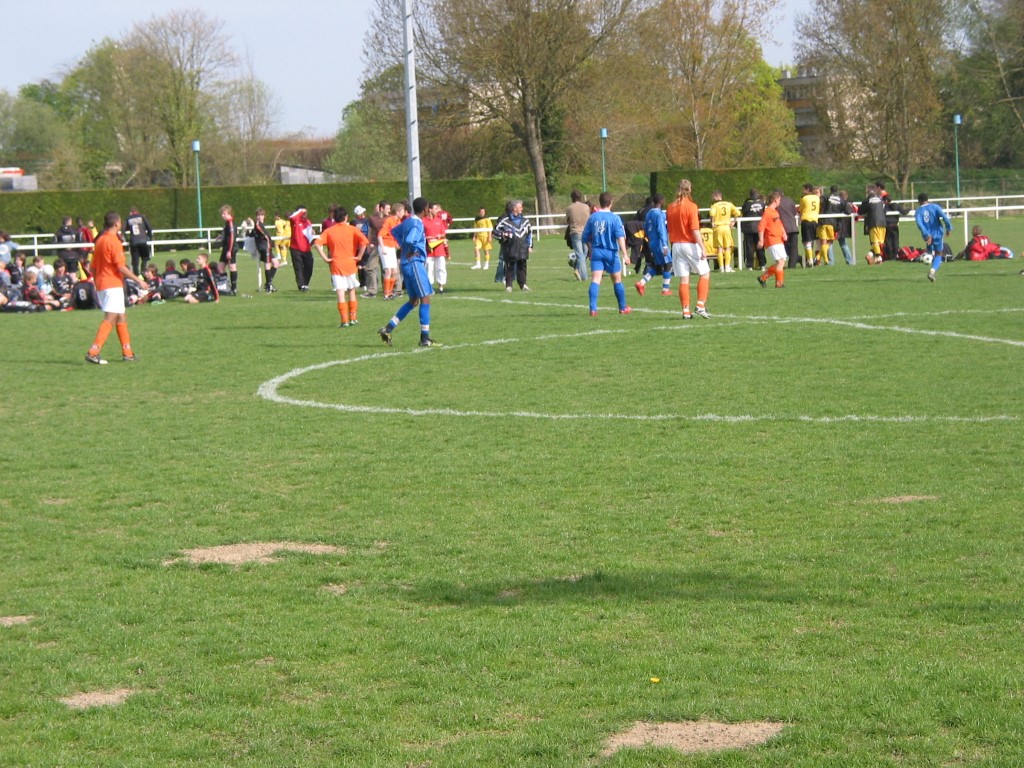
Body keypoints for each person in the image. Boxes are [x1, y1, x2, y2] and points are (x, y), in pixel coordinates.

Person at [85, 211, 148, 364]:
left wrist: (98, 282)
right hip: (112, 284)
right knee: (111, 317)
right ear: (116, 223)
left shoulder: (100, 240)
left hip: (103, 283)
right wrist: (138, 281)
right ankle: (93, 351)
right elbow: (120, 267)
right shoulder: (113, 241)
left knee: (121, 316)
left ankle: (127, 353)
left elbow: (92, 267)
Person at [377, 197, 439, 347]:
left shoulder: (408, 221)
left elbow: (395, 231)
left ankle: (388, 329)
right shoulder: (417, 223)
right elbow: (411, 240)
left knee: (414, 301)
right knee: (425, 298)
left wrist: (404, 248)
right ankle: (424, 338)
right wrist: (413, 250)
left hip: (407, 264)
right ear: (425, 209)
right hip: (414, 264)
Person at [313, 206, 369, 327]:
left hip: (336, 264)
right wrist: (359, 256)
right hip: (350, 263)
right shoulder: (352, 229)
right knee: (351, 290)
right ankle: (353, 318)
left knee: (340, 292)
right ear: (346, 217)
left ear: (334, 217)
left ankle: (344, 321)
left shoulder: (329, 231)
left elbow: (317, 244)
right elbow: (364, 242)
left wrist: (325, 258)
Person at [666, 178, 710, 319]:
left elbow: (670, 228)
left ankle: (686, 310)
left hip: (676, 245)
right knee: (705, 273)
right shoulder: (691, 206)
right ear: (689, 190)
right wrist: (703, 247)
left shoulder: (670, 207)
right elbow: (694, 230)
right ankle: (701, 305)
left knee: (684, 279)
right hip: (689, 244)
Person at [583, 191, 631, 316]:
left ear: (600, 202)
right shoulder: (615, 218)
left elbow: (584, 237)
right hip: (611, 252)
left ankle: (593, 309)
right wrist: (625, 254)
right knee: (617, 280)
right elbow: (620, 237)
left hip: (597, 252)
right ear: (611, 203)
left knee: (595, 279)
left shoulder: (593, 217)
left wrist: (590, 248)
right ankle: (622, 308)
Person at [636, 194, 671, 296]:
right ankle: (665, 290)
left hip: (652, 242)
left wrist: (650, 239)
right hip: (660, 243)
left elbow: (646, 228)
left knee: (657, 266)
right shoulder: (659, 214)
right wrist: (664, 245)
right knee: (668, 264)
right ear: (661, 201)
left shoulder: (649, 214)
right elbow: (661, 229)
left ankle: (641, 283)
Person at [494, 199, 532, 292]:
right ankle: (509, 285)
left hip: (522, 247)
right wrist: (503, 235)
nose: (522, 209)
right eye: (520, 207)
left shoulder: (525, 221)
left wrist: (530, 246)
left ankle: (523, 284)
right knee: (510, 266)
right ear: (514, 208)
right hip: (510, 248)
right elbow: (495, 232)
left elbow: (529, 234)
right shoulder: (505, 221)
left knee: (522, 266)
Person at [914, 193, 953, 283]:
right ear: (927, 199)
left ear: (919, 201)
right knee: (939, 253)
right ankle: (932, 271)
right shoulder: (935, 207)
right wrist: (948, 228)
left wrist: (926, 234)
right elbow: (945, 217)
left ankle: (928, 257)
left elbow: (920, 224)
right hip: (937, 234)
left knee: (930, 251)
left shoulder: (918, 211)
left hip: (927, 237)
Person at [757, 190, 788, 288]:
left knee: (781, 261)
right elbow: (761, 226)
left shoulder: (775, 212)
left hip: (778, 239)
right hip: (772, 239)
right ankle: (779, 283)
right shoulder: (767, 212)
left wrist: (784, 232)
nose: (780, 202)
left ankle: (763, 277)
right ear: (775, 200)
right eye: (779, 200)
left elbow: (779, 224)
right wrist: (761, 240)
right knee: (780, 262)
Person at [709, 190, 741, 272]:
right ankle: (727, 267)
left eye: (713, 197)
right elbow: (738, 213)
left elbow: (712, 214)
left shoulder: (714, 205)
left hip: (718, 227)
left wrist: (712, 222)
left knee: (719, 248)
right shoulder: (729, 204)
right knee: (728, 247)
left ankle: (721, 268)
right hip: (727, 227)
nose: (712, 198)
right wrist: (734, 221)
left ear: (717, 196)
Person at [377, 202, 403, 300]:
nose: (403, 213)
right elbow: (380, 235)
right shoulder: (389, 221)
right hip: (385, 246)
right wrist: (382, 247)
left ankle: (390, 292)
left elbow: (396, 235)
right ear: (397, 212)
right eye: (402, 211)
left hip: (392, 247)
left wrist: (397, 243)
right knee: (388, 270)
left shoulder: (398, 221)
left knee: (394, 271)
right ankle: (386, 294)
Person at [423, 201, 450, 293]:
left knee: (441, 267)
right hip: (428, 249)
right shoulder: (423, 221)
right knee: (429, 268)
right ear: (430, 210)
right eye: (436, 209)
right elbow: (420, 234)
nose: (438, 211)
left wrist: (440, 236)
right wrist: (427, 238)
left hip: (439, 248)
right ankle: (429, 287)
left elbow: (443, 233)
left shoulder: (439, 220)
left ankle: (441, 287)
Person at [565, 190, 590, 281]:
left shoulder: (569, 208)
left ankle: (579, 271)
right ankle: (583, 276)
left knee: (580, 255)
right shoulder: (586, 207)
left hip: (575, 232)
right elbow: (588, 218)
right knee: (584, 252)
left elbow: (568, 221)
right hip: (585, 232)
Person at [359, 203, 383, 298]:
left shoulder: (388, 218)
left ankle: (390, 290)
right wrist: (369, 244)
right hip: (375, 246)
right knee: (370, 268)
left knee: (387, 269)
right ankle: (372, 290)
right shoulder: (372, 219)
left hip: (386, 246)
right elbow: (369, 231)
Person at [252, 208, 278, 293]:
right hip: (264, 247)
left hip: (267, 247)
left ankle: (268, 283)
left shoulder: (261, 224)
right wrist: (267, 238)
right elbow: (263, 234)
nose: (260, 217)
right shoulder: (257, 224)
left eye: (262, 215)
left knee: (276, 263)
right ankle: (268, 287)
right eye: (258, 215)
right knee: (267, 265)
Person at [860, 185, 887, 265]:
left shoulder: (867, 200)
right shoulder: (881, 199)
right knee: (880, 242)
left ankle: (878, 258)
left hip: (873, 222)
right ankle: (870, 255)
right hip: (883, 222)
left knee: (875, 241)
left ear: (867, 192)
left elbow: (860, 211)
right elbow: (884, 210)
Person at [288, 206, 314, 291]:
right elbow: (292, 217)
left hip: (306, 249)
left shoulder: (308, 222)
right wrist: (301, 211)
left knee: (309, 266)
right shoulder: (295, 220)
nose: (304, 214)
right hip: (295, 248)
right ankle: (301, 285)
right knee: (298, 268)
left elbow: (309, 235)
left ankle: (305, 284)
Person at [124, 206, 153, 277]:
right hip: (143, 240)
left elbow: (123, 230)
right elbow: (149, 228)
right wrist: (149, 237)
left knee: (135, 262)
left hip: (133, 242)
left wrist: (126, 239)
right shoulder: (142, 217)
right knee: (145, 258)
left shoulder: (128, 218)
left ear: (131, 213)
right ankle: (143, 274)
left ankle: (136, 277)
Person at [740, 189, 766, 270]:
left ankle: (750, 266)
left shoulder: (747, 203)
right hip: (759, 228)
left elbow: (743, 212)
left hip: (749, 228)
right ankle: (762, 265)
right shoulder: (762, 203)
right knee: (760, 246)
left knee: (749, 247)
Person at [216, 204, 239, 294]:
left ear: (229, 213)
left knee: (232, 266)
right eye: (222, 214)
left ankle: (233, 288)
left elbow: (232, 237)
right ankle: (225, 286)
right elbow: (228, 235)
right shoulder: (227, 223)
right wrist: (221, 236)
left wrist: (229, 251)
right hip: (226, 248)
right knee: (220, 267)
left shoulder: (231, 223)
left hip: (230, 248)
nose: (222, 215)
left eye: (224, 213)